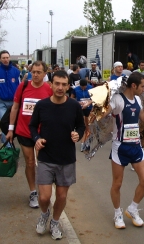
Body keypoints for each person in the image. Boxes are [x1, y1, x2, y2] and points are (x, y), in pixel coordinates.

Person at [29, 70, 85, 240]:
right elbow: (32, 126)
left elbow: (81, 127)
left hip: (66, 159)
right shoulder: (42, 105)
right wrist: (37, 139)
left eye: (64, 84)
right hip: (46, 157)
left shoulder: (74, 106)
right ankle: (44, 214)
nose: (60, 87)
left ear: (68, 86)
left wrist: (78, 134)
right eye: (57, 84)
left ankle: (54, 221)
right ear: (51, 84)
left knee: (61, 196)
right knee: (45, 197)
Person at [101, 72, 144, 229]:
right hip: (120, 147)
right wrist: (100, 104)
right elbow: (104, 113)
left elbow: (142, 117)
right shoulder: (118, 100)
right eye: (142, 86)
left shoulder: (137, 99)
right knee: (117, 184)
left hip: (136, 147)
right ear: (134, 85)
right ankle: (117, 213)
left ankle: (132, 209)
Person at [5, 61, 52, 208]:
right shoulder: (23, 86)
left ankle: (43, 191)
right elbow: (15, 107)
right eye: (34, 72)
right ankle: (33, 192)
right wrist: (10, 129)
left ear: (45, 74)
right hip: (24, 131)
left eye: (39, 72)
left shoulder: (48, 89)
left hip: (41, 133)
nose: (36, 75)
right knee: (30, 162)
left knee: (42, 163)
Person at [71, 79, 93, 152]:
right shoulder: (76, 89)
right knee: (83, 125)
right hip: (81, 109)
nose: (83, 88)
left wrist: (88, 103)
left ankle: (87, 142)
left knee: (88, 126)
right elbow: (72, 98)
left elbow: (94, 98)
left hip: (89, 109)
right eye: (82, 87)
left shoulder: (91, 88)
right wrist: (78, 103)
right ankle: (82, 143)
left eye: (85, 87)